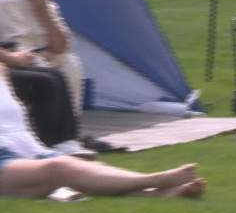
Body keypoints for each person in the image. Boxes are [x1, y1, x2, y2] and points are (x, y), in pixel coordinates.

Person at [0, 65, 206, 199]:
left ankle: (158, 193)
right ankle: (155, 180)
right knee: (60, 168)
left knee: (82, 170)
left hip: (27, 149)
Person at [0, 0, 90, 154]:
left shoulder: (48, 5)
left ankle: (68, 135)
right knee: (49, 77)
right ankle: (48, 140)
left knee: (70, 64)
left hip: (37, 57)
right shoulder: (4, 1)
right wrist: (14, 57)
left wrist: (42, 10)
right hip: (14, 59)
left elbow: (61, 46)